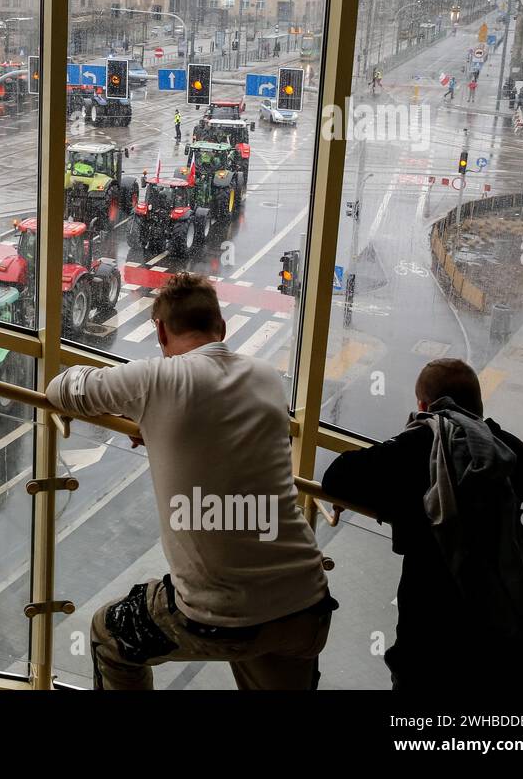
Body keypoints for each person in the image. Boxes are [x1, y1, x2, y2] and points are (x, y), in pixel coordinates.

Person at [46, 273, 335, 690]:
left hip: (220, 614)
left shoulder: (154, 381)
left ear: (161, 331)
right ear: (222, 327)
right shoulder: (266, 378)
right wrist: (159, 423)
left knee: (109, 635)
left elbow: (62, 389)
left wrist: (147, 416)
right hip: (306, 604)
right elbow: (220, 429)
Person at [322, 359, 523, 690]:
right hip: (506, 650)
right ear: (479, 404)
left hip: (430, 650)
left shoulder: (422, 448)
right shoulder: (517, 455)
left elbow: (337, 476)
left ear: (425, 407)